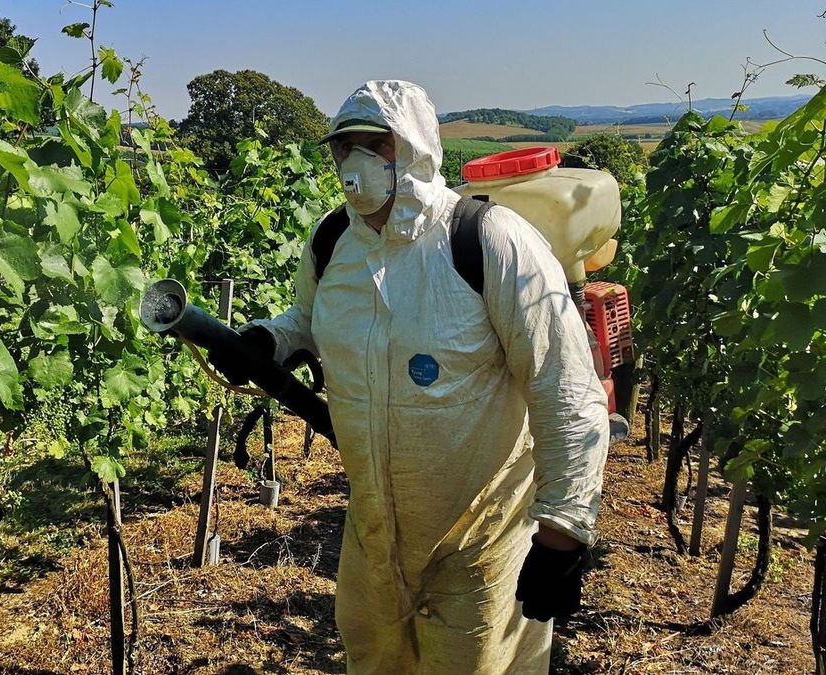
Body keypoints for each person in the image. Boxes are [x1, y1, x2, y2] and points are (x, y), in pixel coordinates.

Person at [209, 80, 609, 673]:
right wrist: (273, 339)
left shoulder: (488, 241)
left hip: (481, 539)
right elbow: (312, 318)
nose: (356, 163)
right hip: (372, 536)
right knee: (374, 661)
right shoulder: (331, 243)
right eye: (344, 148)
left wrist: (564, 533)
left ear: (416, 148)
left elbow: (567, 389)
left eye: (377, 145)